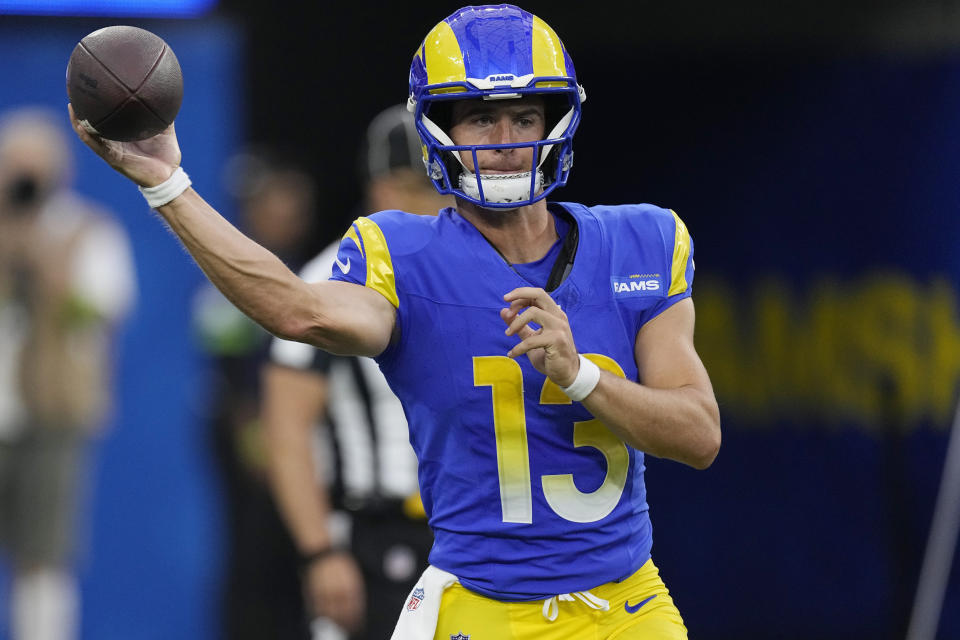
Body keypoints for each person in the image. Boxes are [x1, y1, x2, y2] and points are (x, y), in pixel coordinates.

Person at [67, 4, 721, 638]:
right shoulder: (403, 257)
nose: (507, 142)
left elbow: (699, 435)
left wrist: (581, 378)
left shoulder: (642, 242)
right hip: (483, 603)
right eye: (480, 120)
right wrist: (166, 185)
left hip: (626, 603)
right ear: (438, 131)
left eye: (525, 116)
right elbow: (296, 309)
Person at [262, 104, 450, 640]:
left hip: (467, 529)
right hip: (375, 532)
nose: (440, 205)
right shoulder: (331, 279)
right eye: (421, 187)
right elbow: (286, 429)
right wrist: (320, 551)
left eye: (444, 186)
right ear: (382, 190)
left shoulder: (468, 272)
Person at [0, 107, 136, 640]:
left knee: (45, 554)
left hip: (51, 411)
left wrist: (51, 271)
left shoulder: (87, 231)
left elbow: (104, 310)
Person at [191, 149, 318, 640]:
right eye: (268, 203)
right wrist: (251, 429)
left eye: (291, 203)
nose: (283, 214)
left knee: (293, 547)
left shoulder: (315, 269)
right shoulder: (230, 275)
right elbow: (229, 369)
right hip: (247, 430)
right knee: (253, 547)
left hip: (293, 432)